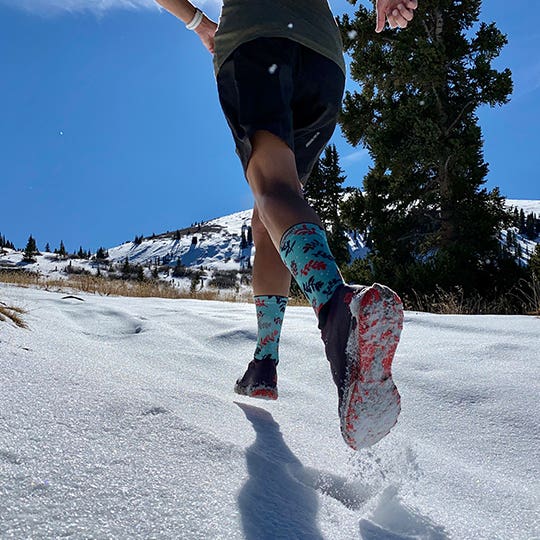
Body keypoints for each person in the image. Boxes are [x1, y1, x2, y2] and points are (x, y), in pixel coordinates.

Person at [154, 0, 418, 449]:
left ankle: (339, 314)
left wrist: (198, 23)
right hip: (323, 60)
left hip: (258, 38)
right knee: (269, 216)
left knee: (272, 185)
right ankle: (264, 362)